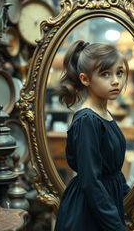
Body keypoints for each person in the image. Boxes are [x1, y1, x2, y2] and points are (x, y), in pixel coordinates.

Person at [54, 40, 130, 231]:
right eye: (105, 74)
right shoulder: (87, 120)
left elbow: (111, 170)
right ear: (85, 79)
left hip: (103, 204)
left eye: (119, 72)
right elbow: (90, 182)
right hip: (87, 212)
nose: (115, 81)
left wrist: (131, 195)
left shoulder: (104, 114)